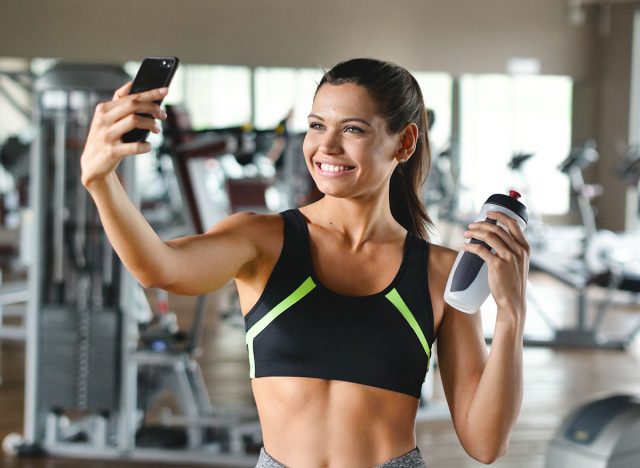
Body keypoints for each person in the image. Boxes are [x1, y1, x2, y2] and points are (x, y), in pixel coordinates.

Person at [81, 58, 530, 468]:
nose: (326, 146)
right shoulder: (262, 240)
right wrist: (101, 182)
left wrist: (511, 314)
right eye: (317, 125)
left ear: (405, 142)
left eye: (352, 129)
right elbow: (159, 268)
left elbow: (484, 443)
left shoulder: (439, 273)